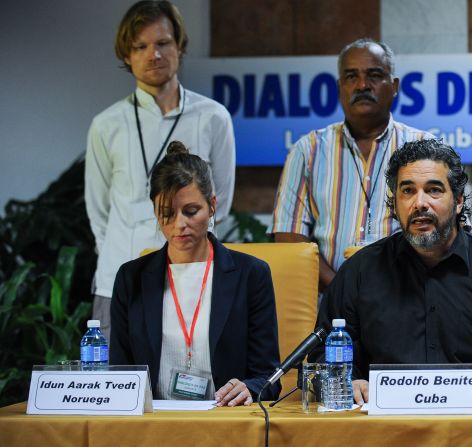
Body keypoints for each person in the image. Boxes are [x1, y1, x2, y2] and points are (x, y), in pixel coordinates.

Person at [311, 139, 472, 405]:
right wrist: (350, 381)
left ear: (459, 201)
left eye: (434, 190)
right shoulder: (358, 272)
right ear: (395, 204)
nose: (420, 203)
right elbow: (320, 354)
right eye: (407, 191)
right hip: (383, 429)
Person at [85, 0, 235, 341]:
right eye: (141, 46)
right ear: (127, 54)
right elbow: (98, 212)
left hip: (193, 277)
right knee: (119, 385)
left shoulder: (213, 116)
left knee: (198, 385)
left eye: (163, 43)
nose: (153, 55)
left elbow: (220, 203)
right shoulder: (106, 125)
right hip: (119, 280)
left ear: (179, 46)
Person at [110, 141, 279, 405]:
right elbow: (119, 375)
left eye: (191, 211)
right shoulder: (130, 279)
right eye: (166, 213)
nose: (179, 225)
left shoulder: (250, 275)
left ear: (212, 205)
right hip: (152, 425)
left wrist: (249, 388)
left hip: (225, 420)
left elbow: (268, 377)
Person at [269, 38, 433, 292]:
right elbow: (290, 238)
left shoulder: (426, 148)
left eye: (374, 75)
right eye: (351, 76)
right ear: (339, 87)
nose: (363, 85)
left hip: (408, 299)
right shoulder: (308, 150)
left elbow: (445, 230)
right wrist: (341, 290)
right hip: (330, 305)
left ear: (395, 86)